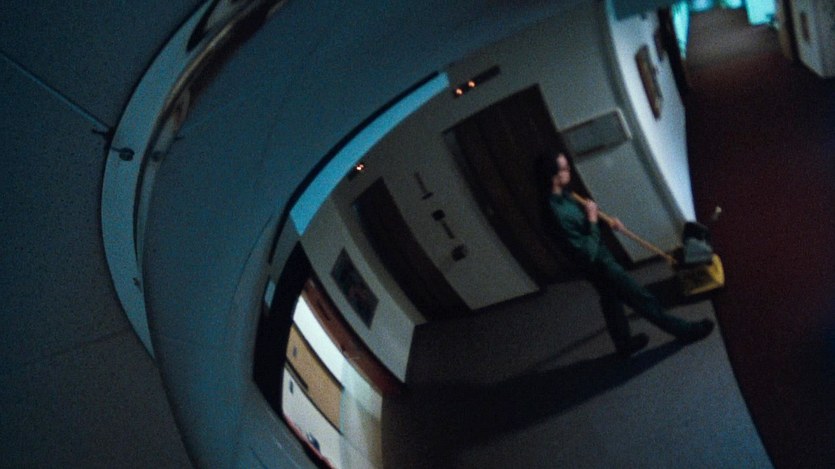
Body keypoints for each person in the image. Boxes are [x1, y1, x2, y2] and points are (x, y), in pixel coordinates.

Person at [544, 152, 714, 357]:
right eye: (564, 168)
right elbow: (586, 251)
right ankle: (686, 331)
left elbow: (584, 228)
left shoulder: (567, 195)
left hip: (600, 259)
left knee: (611, 301)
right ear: (552, 175)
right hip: (599, 265)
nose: (569, 170)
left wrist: (605, 221)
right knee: (642, 299)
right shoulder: (555, 213)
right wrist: (592, 220)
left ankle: (624, 345)